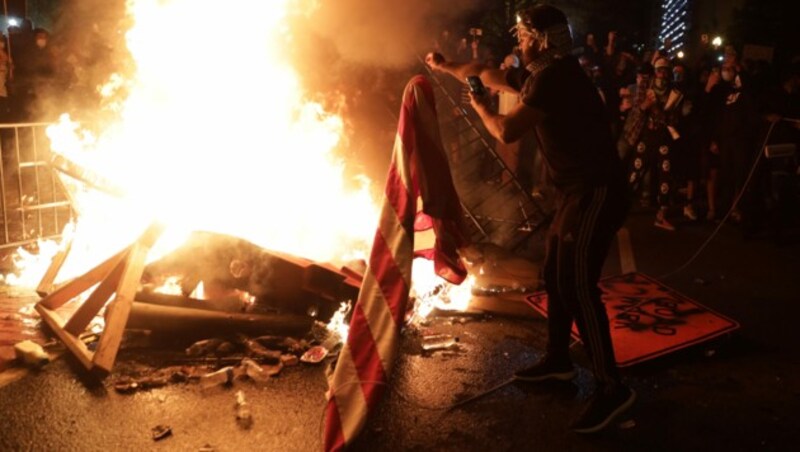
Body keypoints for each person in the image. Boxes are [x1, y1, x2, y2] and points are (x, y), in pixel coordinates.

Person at [426, 4, 634, 434]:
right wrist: (447, 66)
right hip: (576, 193)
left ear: (540, 39)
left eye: (522, 34)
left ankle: (613, 388)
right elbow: (484, 70)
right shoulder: (543, 74)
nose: (517, 41)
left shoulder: (556, 78)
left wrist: (480, 107)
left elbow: (506, 131)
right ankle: (559, 362)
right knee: (555, 274)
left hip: (597, 193)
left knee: (577, 283)